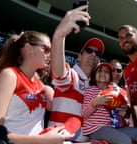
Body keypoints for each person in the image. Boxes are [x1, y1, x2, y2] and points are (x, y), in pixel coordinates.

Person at [0, 31, 73, 144]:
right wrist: (43, 140)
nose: (50, 55)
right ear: (28, 48)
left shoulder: (39, 84)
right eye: (46, 49)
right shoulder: (9, 75)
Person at [48, 4, 103, 142]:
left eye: (97, 53)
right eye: (89, 51)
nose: (93, 55)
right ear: (79, 56)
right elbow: (60, 73)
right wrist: (60, 35)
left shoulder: (96, 86)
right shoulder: (72, 75)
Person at [82, 62, 137, 144]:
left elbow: (119, 113)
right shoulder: (90, 90)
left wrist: (122, 111)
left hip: (111, 128)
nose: (102, 73)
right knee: (125, 140)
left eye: (106, 72)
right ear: (94, 74)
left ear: (110, 77)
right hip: (95, 129)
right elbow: (84, 114)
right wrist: (94, 103)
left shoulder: (114, 92)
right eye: (99, 71)